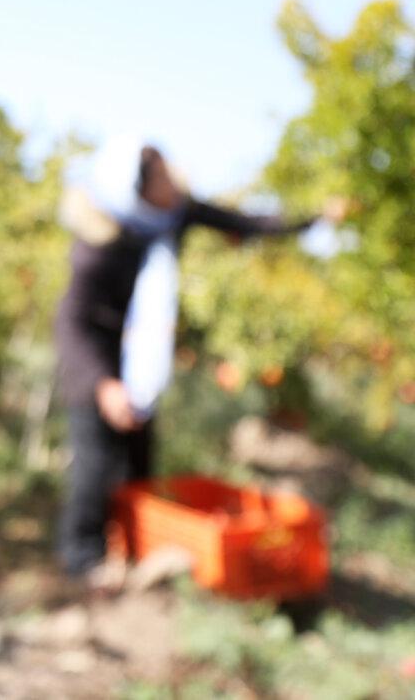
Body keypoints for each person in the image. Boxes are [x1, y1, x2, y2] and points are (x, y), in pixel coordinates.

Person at [53, 137, 339, 588]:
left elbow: (243, 222)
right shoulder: (100, 245)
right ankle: (82, 558)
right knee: (94, 461)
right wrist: (104, 385)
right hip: (96, 362)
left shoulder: (171, 216)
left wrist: (314, 218)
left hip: (140, 359)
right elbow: (71, 323)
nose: (174, 181)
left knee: (137, 461)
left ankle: (132, 546)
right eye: (162, 176)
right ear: (138, 191)